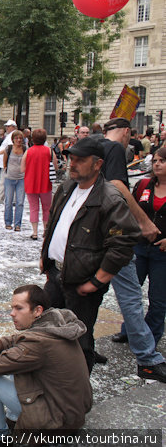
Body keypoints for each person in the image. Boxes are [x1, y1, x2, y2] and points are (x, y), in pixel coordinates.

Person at [42, 137, 165, 380]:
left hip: (82, 282)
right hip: (57, 274)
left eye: (80, 160)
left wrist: (98, 280)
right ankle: (53, 384)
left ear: (97, 164)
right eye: (70, 158)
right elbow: (54, 223)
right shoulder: (66, 188)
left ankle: (76, 399)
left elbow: (122, 244)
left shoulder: (109, 197)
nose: (72, 164)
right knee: (50, 332)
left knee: (80, 341)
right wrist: (46, 260)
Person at [0, 285, 91, 446]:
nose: (12, 313)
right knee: (16, 369)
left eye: (19, 308)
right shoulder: (57, 322)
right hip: (72, 413)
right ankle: (14, 422)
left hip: (56, 422)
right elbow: (20, 338)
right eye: (12, 307)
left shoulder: (37, 343)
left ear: (37, 311)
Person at [112, 147, 166, 347]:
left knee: (158, 299)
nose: (158, 164)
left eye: (163, 161)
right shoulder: (144, 185)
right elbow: (130, 210)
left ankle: (151, 335)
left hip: (162, 252)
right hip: (140, 248)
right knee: (132, 294)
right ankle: (130, 330)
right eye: (156, 161)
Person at [22, 129, 56, 240]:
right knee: (46, 208)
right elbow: (55, 166)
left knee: (33, 208)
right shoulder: (50, 151)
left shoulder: (28, 151)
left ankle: (35, 232)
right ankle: (45, 230)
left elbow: (22, 168)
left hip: (31, 183)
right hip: (46, 183)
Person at [2, 130, 26, 232]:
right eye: (16, 138)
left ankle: (17, 224)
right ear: (13, 139)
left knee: (20, 202)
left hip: (21, 178)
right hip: (9, 178)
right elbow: (4, 161)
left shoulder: (25, 149)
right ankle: (8, 222)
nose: (19, 140)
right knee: (8, 201)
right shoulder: (9, 148)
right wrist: (5, 169)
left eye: (20, 138)